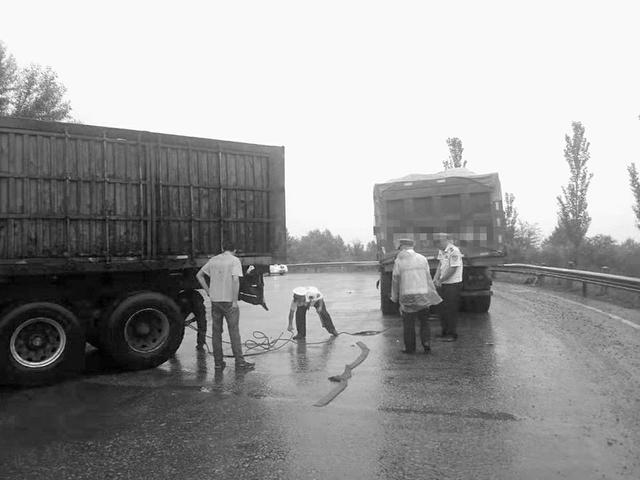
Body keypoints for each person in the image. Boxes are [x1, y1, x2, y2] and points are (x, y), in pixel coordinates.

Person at [196, 242, 255, 371]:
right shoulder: (234, 261)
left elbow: (199, 275)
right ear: (234, 249)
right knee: (234, 332)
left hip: (215, 301)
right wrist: (234, 301)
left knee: (216, 332)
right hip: (229, 301)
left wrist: (208, 291)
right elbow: (235, 280)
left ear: (223, 248)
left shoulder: (213, 260)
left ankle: (218, 363)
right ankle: (240, 363)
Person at [390, 238, 442, 354]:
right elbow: (428, 277)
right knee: (424, 321)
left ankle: (410, 348)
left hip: (407, 296)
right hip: (423, 295)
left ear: (403, 247)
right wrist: (431, 295)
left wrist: (394, 297)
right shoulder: (422, 259)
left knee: (408, 323)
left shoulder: (399, 261)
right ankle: (426, 344)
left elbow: (395, 280)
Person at [433, 234, 464, 342]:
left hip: (453, 284)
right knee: (442, 309)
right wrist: (435, 278)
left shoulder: (454, 251)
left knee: (451, 310)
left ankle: (452, 334)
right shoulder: (441, 251)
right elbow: (440, 265)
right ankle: (444, 332)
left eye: (439, 241)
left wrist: (440, 280)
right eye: (436, 242)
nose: (437, 244)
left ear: (446, 240)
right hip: (443, 284)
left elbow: (453, 269)